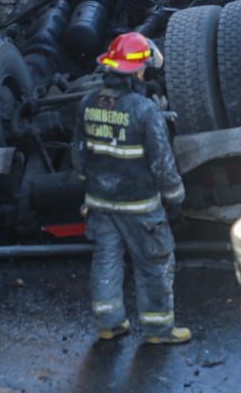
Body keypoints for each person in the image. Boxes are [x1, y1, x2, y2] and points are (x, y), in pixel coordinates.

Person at [72, 32, 191, 345]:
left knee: (106, 261)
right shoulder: (145, 110)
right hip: (140, 207)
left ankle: (109, 324)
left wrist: (90, 191)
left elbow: (78, 155)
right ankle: (159, 330)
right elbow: (163, 163)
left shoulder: (87, 103)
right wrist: (175, 199)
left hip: (100, 203)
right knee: (154, 263)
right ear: (138, 71)